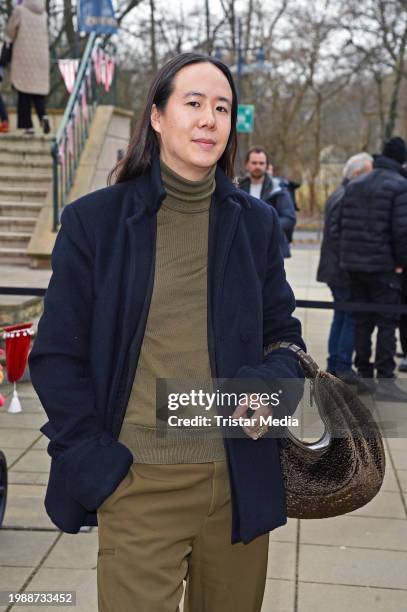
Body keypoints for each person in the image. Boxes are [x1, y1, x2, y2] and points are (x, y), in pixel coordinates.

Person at [28, 53, 306, 612]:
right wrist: (94, 459)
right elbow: (56, 355)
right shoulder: (95, 223)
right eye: (194, 103)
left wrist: (267, 384)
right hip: (137, 483)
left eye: (222, 108)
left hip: (239, 482)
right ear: (156, 117)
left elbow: (285, 338)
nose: (210, 119)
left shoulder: (255, 224)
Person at [338, 137, 407, 401]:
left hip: (354, 264)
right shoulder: (400, 186)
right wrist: (401, 262)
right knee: (387, 322)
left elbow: (341, 225)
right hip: (384, 267)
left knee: (362, 322)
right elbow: (402, 231)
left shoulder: (356, 183)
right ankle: (385, 380)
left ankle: (364, 374)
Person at [317, 152, 373, 388]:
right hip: (342, 270)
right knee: (348, 317)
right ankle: (341, 366)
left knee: (341, 316)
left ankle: (334, 364)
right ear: (358, 174)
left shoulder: (340, 193)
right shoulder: (348, 196)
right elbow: (341, 235)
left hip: (335, 268)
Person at [239, 146, 296, 257]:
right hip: (243, 247)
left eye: (261, 163)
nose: (258, 166)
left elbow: (289, 218)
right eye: (254, 163)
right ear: (247, 165)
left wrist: (265, 226)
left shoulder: (278, 189)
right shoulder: (237, 188)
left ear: (267, 166)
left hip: (271, 248)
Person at [5, 0, 50, 135]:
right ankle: (43, 117)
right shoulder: (43, 13)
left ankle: (28, 126)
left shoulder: (20, 10)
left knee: (23, 91)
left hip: (23, 56)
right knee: (37, 92)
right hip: (41, 58)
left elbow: (10, 32)